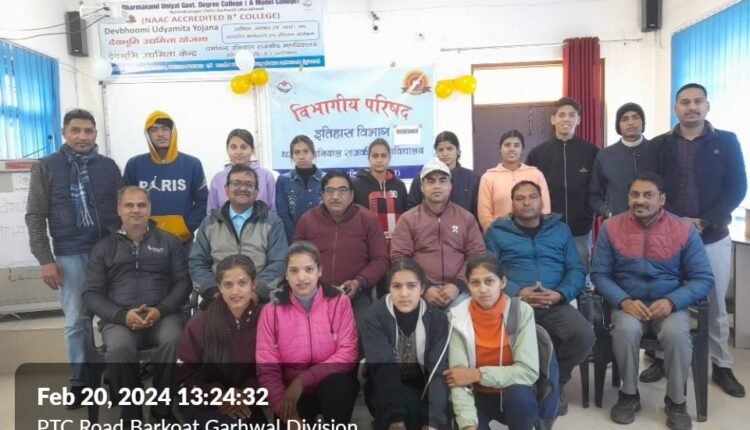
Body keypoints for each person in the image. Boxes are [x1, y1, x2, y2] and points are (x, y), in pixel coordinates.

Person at [591, 173, 714, 430]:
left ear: (662, 199)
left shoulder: (683, 229)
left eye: (648, 195)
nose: (640, 200)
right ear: (628, 198)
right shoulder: (611, 228)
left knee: (676, 334)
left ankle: (676, 401)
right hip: (628, 303)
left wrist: (672, 301)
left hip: (669, 304)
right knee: (625, 331)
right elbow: (600, 274)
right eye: (635, 194)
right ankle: (628, 394)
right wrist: (623, 301)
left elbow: (703, 278)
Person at [653, 83, 747, 397]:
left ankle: (721, 365)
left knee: (716, 301)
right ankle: (661, 356)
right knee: (665, 294)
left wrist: (704, 220)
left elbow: (737, 187)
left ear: (707, 106)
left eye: (697, 101)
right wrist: (680, 221)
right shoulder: (661, 144)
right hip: (669, 236)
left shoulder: (727, 141)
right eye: (685, 102)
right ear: (675, 108)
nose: (692, 107)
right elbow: (654, 187)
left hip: (713, 236)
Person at [25, 108, 122, 407]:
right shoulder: (46, 166)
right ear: (64, 133)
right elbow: (35, 215)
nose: (82, 136)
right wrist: (45, 259)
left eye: (88, 131)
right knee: (77, 321)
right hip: (69, 254)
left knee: (114, 316)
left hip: (108, 252)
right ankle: (81, 383)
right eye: (75, 130)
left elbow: (123, 209)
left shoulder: (109, 167)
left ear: (95, 134)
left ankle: (114, 375)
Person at [82, 186, 191, 424]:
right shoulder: (103, 248)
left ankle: (162, 409)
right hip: (119, 319)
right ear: (119, 209)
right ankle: (131, 412)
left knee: (174, 340)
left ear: (149, 209)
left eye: (141, 205)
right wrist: (121, 316)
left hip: (163, 315)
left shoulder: (170, 242)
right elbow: (91, 293)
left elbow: (184, 283)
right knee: (119, 349)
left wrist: (161, 310)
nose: (136, 210)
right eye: (129, 205)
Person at [484, 180, 594, 415]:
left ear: (542, 200)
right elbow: (490, 271)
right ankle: (523, 385)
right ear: (512, 204)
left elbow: (576, 269)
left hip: (554, 302)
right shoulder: (497, 232)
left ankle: (555, 382)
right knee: (511, 341)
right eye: (520, 198)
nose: (527, 202)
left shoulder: (560, 230)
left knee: (584, 335)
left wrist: (560, 294)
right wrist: (518, 292)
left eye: (532, 197)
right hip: (514, 303)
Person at [445, 254, 558, 430]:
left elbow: (527, 372)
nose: (483, 289)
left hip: (513, 393)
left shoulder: (520, 311)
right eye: (475, 283)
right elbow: (458, 379)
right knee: (462, 419)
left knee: (521, 399)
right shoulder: (457, 317)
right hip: (476, 395)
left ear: (503, 282)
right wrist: (468, 425)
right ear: (468, 285)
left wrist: (477, 374)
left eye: (489, 281)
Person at [255, 241, 359, 425]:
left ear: (320, 271)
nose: (301, 277)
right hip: (292, 392)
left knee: (339, 386)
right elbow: (267, 369)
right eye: (294, 271)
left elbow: (347, 354)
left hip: (330, 385)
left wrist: (303, 380)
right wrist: (286, 412)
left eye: (309, 269)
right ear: (286, 274)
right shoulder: (271, 311)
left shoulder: (339, 302)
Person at [175, 254, 267, 427]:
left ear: (253, 284)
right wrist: (219, 396)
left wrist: (247, 393)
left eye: (242, 283)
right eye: (228, 285)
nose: (235, 291)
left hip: (246, 399)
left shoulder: (266, 321)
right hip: (202, 401)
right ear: (219, 287)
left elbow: (270, 370)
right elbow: (183, 381)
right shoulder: (199, 324)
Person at [361, 259, 451, 430]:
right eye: (397, 286)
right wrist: (395, 419)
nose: (404, 293)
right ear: (389, 288)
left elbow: (437, 371)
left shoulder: (437, 319)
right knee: (404, 416)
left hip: (424, 387)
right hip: (386, 388)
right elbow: (382, 368)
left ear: (422, 288)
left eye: (411, 286)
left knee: (436, 418)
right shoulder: (374, 316)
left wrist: (432, 421)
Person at [294, 171, 389, 325]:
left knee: (364, 326)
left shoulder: (367, 219)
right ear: (322, 195)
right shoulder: (307, 220)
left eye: (342, 190)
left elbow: (381, 260)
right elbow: (295, 258)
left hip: (356, 293)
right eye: (330, 191)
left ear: (351, 195)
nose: (335, 196)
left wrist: (359, 282)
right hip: (314, 292)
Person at [392, 159, 486, 310]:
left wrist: (458, 285)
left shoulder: (466, 218)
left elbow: (476, 255)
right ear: (422, 187)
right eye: (431, 181)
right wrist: (424, 287)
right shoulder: (408, 219)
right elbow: (400, 258)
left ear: (450, 186)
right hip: (418, 291)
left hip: (461, 290)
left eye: (442, 180)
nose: (437, 186)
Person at [190, 164, 287, 304]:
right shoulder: (209, 223)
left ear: (256, 191)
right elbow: (197, 262)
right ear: (226, 189)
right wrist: (215, 292)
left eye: (249, 185)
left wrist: (256, 293)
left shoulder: (272, 223)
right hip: (218, 299)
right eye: (236, 183)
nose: (242, 188)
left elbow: (279, 262)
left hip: (260, 300)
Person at [526, 97, 599, 273]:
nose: (566, 119)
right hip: (548, 226)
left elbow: (598, 186)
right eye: (561, 115)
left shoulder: (591, 151)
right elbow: (530, 188)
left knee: (581, 272)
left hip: (580, 227)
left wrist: (590, 212)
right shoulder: (538, 153)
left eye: (572, 115)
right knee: (551, 272)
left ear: (578, 120)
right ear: (553, 119)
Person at [123, 111, 207, 247]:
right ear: (148, 135)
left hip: (182, 243)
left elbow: (203, 202)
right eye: (154, 130)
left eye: (165, 129)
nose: (160, 134)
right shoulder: (134, 165)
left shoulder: (192, 164)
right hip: (144, 242)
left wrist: (185, 227)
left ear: (172, 132)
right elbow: (126, 204)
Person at [589, 102, 656, 219]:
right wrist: (607, 212)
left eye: (635, 117)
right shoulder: (605, 155)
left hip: (652, 222)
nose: (630, 122)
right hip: (616, 221)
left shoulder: (656, 150)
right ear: (618, 125)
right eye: (624, 119)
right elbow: (594, 194)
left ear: (643, 122)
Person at [477, 129, 551, 232]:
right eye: (507, 145)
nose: (512, 149)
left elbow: (545, 209)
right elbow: (484, 214)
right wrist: (496, 235)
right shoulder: (488, 177)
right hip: (500, 235)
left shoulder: (536, 174)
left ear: (522, 150)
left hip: (533, 234)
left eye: (516, 145)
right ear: (500, 149)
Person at [352, 138, 408, 251]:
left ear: (389, 158)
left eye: (383, 156)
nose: (379, 160)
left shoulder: (399, 186)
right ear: (369, 158)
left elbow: (406, 217)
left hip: (395, 246)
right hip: (366, 246)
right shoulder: (356, 185)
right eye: (375, 156)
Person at [408, 131, 480, 217]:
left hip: (463, 224)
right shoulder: (422, 178)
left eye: (449, 149)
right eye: (441, 150)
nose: (445, 154)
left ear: (458, 151)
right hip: (428, 225)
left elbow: (477, 211)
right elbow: (412, 210)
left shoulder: (472, 178)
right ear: (436, 153)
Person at [207, 128, 276, 214]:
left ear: (253, 150)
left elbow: (273, 211)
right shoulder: (218, 178)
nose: (238, 152)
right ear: (227, 150)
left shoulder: (266, 176)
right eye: (233, 147)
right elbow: (211, 213)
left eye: (243, 147)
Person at [276, 135, 324, 243]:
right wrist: (297, 238)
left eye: (305, 151)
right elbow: (283, 214)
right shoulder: (283, 180)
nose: (301, 156)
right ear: (292, 156)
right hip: (294, 240)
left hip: (322, 238)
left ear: (313, 154)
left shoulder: (325, 179)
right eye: (297, 152)